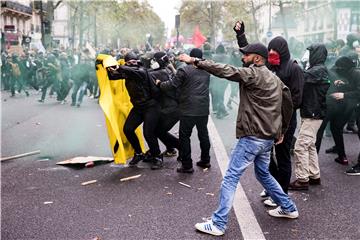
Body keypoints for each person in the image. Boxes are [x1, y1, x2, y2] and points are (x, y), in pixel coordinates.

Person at [177, 43, 298, 236]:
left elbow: (225, 70)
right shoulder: (275, 79)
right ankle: (288, 207)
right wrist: (281, 131)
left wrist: (194, 61)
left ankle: (218, 223)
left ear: (257, 58)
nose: (243, 57)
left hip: (252, 137)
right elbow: (288, 104)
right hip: (267, 138)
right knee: (263, 174)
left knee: (231, 177)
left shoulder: (253, 74)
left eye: (246, 55)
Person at [234, 21, 304, 206]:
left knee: (283, 157)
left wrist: (281, 122)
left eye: (275, 51)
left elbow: (296, 99)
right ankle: (274, 187)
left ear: (283, 52)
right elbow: (252, 53)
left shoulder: (294, 68)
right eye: (270, 50)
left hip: (284, 122)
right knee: (265, 155)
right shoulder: (270, 67)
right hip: (267, 121)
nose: (271, 54)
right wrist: (240, 35)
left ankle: (282, 194)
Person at [157, 48, 211, 173]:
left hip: (188, 109)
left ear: (189, 57)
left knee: (185, 136)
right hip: (203, 108)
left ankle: (187, 165)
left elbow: (172, 85)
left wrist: (160, 84)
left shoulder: (184, 70)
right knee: (203, 135)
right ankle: (205, 160)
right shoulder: (207, 70)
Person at [107, 51, 163, 170]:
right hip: (138, 107)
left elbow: (132, 71)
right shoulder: (127, 72)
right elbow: (113, 76)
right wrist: (106, 66)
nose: (132, 64)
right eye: (129, 62)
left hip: (151, 106)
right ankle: (138, 153)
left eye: (134, 62)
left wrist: (121, 66)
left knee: (148, 133)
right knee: (128, 129)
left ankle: (157, 157)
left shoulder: (141, 71)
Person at [289, 44, 330, 190]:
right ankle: (314, 175)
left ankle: (302, 180)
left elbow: (301, 77)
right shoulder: (318, 69)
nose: (307, 55)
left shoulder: (317, 70)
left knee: (300, 147)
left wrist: (294, 65)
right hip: (313, 113)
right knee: (310, 145)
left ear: (316, 54)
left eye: (309, 52)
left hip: (313, 113)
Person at [316, 56, 360, 165]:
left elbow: (358, 92)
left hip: (348, 106)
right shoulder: (349, 72)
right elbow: (351, 86)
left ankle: (314, 160)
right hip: (345, 106)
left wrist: (343, 94)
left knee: (325, 129)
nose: (338, 69)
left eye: (339, 67)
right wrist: (342, 84)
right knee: (336, 128)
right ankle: (342, 156)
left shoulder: (357, 73)